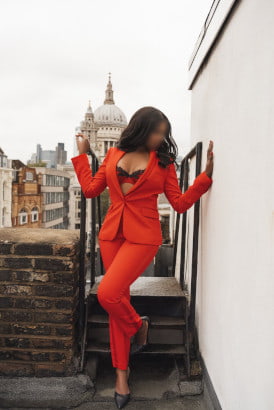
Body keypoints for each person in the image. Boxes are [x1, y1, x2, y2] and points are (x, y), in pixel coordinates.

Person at [72, 106, 214, 409]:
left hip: (143, 237)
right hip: (111, 235)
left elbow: (177, 203)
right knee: (116, 300)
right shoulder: (112, 155)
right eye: (156, 132)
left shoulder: (164, 163)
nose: (160, 138)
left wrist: (204, 179)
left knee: (108, 293)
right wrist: (83, 156)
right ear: (140, 128)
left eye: (164, 133)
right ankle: (122, 376)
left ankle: (137, 325)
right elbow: (89, 190)